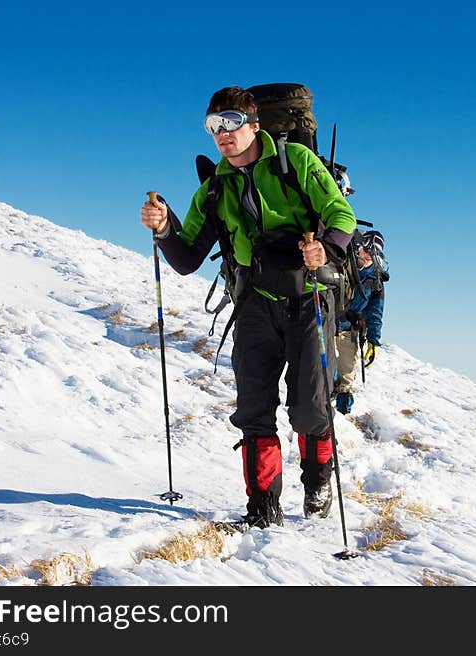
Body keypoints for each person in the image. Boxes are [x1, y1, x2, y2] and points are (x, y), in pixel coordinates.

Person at [140, 86, 357, 527]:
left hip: (308, 296)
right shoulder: (216, 187)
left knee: (310, 408)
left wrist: (326, 252)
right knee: (254, 409)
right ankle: (262, 508)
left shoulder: (294, 160)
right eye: (213, 126)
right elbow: (185, 259)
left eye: (232, 123)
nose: (222, 133)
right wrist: (164, 229)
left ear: (254, 126)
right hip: (254, 303)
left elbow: (340, 215)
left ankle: (317, 479)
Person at [334, 230, 389, 415]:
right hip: (326, 325)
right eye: (363, 249)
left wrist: (373, 341)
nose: (364, 255)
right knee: (325, 372)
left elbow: (375, 312)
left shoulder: (376, 280)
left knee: (346, 380)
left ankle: (341, 415)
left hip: (348, 330)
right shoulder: (342, 262)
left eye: (371, 252)